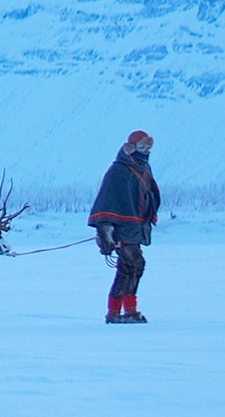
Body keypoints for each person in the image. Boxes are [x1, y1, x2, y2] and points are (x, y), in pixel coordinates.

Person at [88, 130, 160, 323]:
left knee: (131, 267)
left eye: (148, 148)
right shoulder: (118, 170)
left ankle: (122, 311)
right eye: (142, 147)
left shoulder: (145, 169)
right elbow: (106, 202)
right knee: (132, 266)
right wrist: (105, 232)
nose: (145, 151)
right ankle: (122, 312)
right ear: (130, 148)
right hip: (121, 229)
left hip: (135, 229)